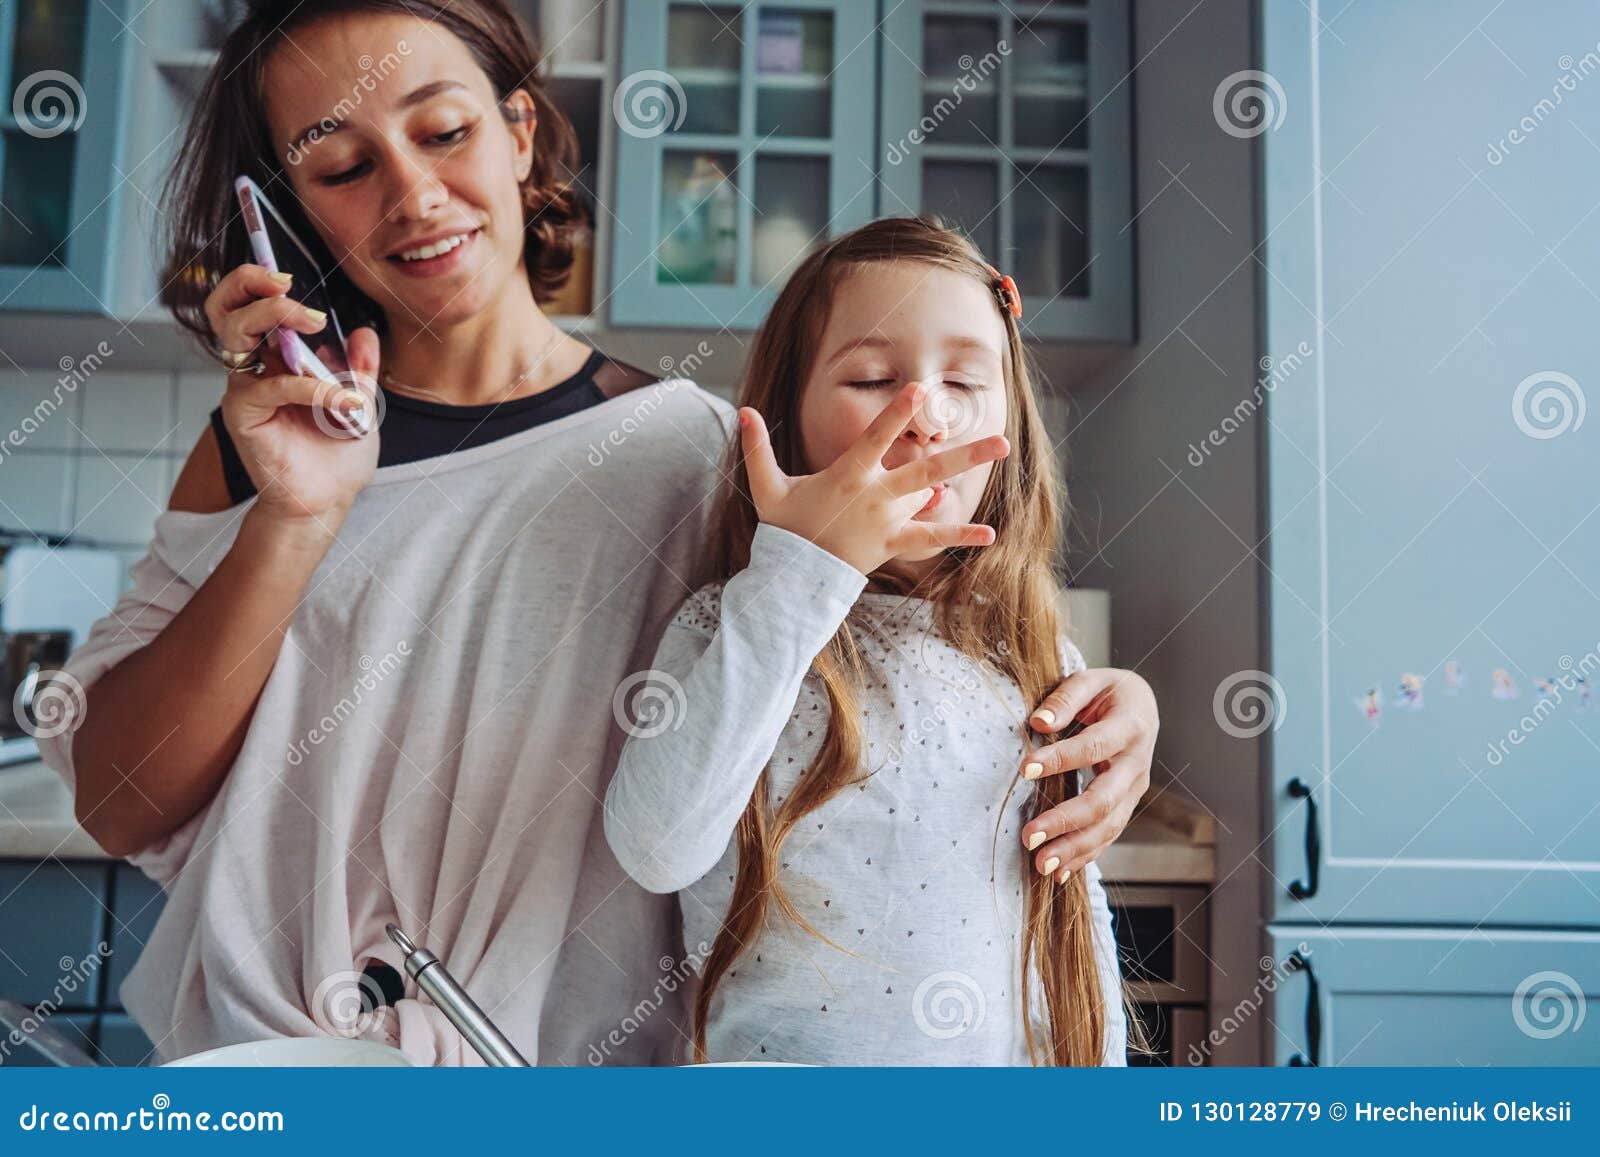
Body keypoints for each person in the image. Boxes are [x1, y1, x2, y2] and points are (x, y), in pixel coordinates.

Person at [38, 0, 1158, 1065]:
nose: (415, 194)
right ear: (286, 207)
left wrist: (1115, 709)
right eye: (342, 165)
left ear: (521, 131)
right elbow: (119, 796)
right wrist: (292, 519)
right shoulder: (259, 444)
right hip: (266, 1060)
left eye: (444, 129)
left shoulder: (720, 459)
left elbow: (909, 661)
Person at [605, 218, 1132, 1065]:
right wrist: (804, 567)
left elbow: (1075, 937)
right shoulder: (733, 625)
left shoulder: (1034, 658)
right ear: (788, 419)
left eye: (964, 377)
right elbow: (656, 846)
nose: (921, 414)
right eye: (875, 376)